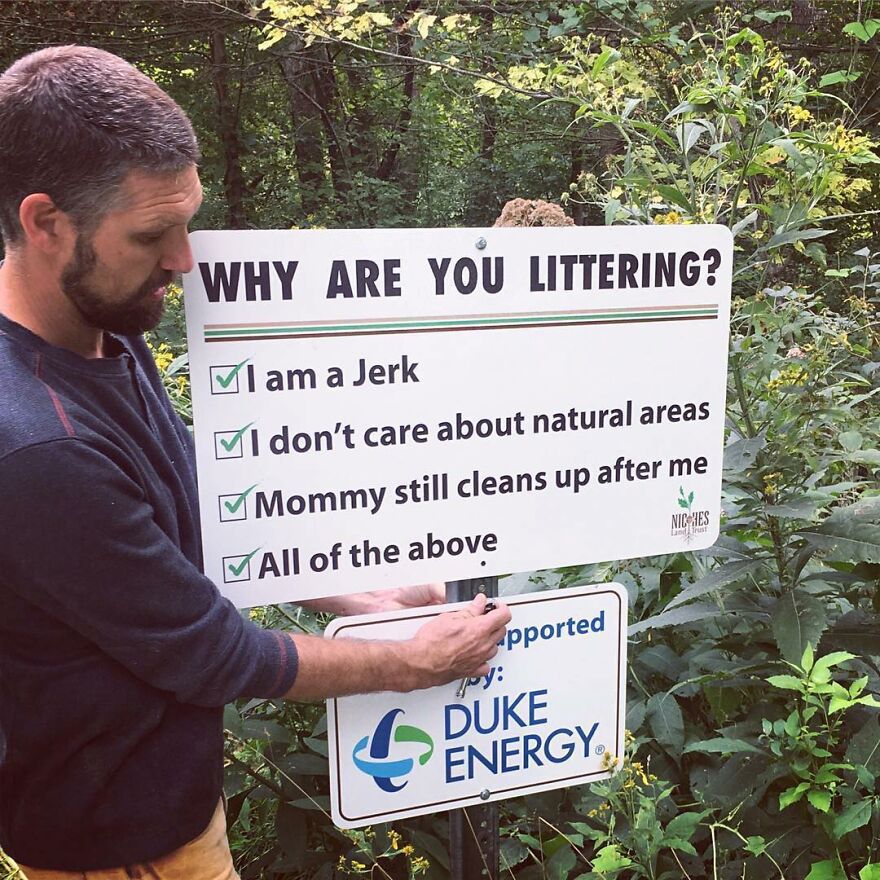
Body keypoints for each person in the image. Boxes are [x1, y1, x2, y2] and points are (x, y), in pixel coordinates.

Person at [0, 45, 510, 878]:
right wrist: (408, 661)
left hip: (164, 803)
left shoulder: (96, 334)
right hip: (119, 844)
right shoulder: (34, 446)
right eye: (151, 235)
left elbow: (184, 503)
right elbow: (215, 654)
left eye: (187, 222)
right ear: (46, 222)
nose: (184, 260)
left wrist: (355, 588)